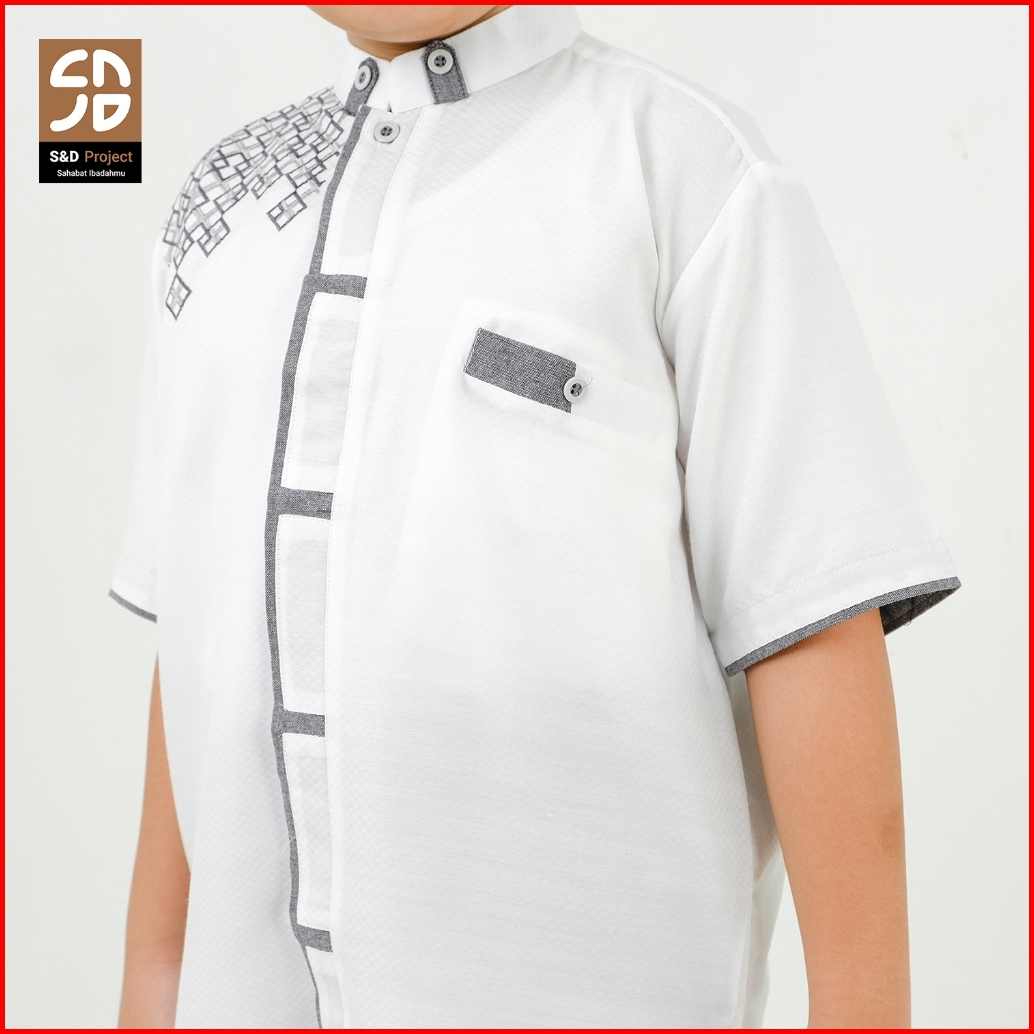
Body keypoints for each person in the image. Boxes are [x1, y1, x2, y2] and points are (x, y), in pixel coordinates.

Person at [112, 5, 960, 1028]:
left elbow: (809, 617)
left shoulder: (681, 168)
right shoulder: (221, 212)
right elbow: (201, 636)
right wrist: (151, 987)